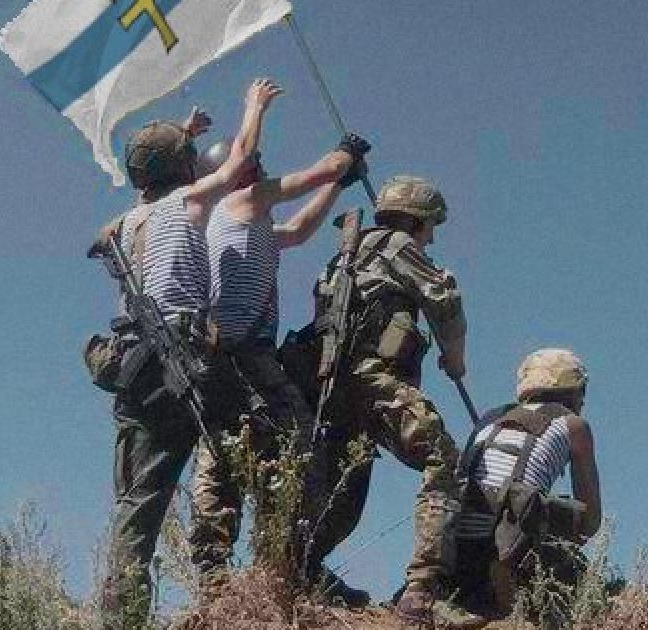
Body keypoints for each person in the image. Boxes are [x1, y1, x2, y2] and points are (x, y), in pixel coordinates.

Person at [185, 77, 372, 597]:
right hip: (248, 354)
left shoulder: (243, 219)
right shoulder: (242, 201)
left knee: (222, 450)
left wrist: (339, 185)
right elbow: (316, 171)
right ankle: (288, 563)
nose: (263, 169)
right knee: (301, 448)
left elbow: (300, 230)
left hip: (223, 354)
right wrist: (344, 157)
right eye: (257, 165)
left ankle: (216, 575)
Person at [94, 81, 268, 629]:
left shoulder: (126, 224)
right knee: (262, 448)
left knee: (139, 504)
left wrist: (181, 134)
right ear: (183, 168)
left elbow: (154, 174)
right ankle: (267, 575)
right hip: (184, 363)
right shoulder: (189, 203)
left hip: (138, 370)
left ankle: (123, 618)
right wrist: (254, 107)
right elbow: (238, 160)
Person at [301, 175, 484, 628]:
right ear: (417, 220)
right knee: (442, 457)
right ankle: (423, 591)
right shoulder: (399, 245)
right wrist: (455, 358)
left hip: (332, 386)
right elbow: (445, 301)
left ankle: (301, 567)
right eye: (431, 226)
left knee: (349, 476)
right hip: (373, 378)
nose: (431, 237)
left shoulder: (344, 256)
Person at [451, 348, 602, 620]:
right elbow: (590, 522)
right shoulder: (574, 426)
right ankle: (511, 590)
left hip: (455, 554)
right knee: (566, 526)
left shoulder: (489, 419)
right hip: (507, 552)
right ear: (572, 391)